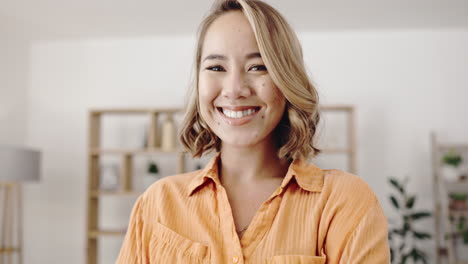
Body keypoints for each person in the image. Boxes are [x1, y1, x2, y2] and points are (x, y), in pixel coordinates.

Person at [117, 0, 390, 263]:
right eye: (216, 67)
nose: (235, 89)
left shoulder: (344, 202)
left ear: (287, 78)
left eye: (258, 67)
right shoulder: (157, 204)